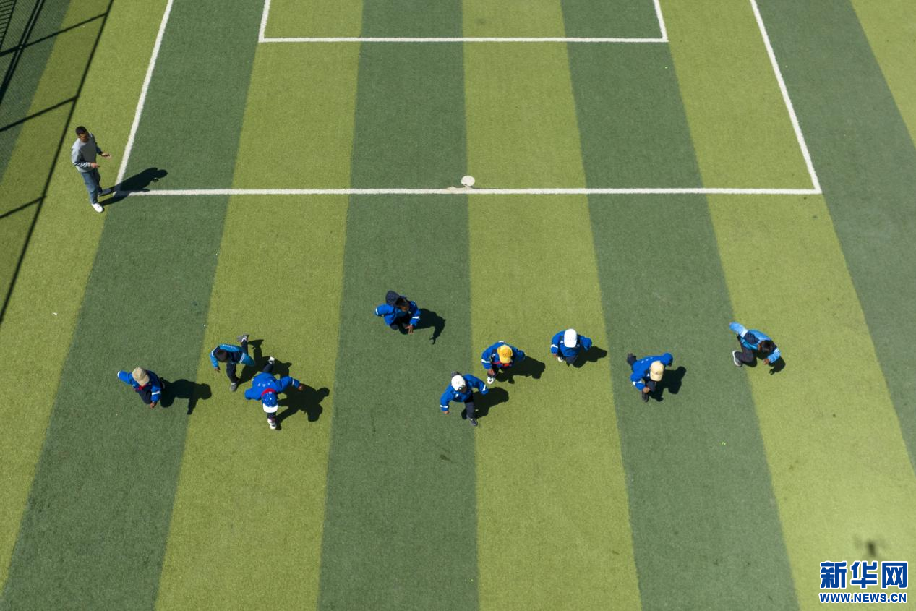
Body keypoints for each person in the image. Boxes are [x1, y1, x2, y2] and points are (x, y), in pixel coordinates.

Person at [243, 356, 304, 430]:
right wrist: (297, 385)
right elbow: (247, 393)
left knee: (266, 373)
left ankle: (271, 362)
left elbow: (289, 380)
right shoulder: (258, 393)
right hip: (257, 380)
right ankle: (270, 362)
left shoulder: (277, 387)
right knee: (265, 373)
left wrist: (298, 385)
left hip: (266, 379)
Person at [71, 126, 114, 213]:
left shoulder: (90, 136)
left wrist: (100, 153)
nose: (87, 137)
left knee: (97, 178)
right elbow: (75, 162)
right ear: (79, 136)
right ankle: (94, 202)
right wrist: (90, 164)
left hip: (93, 165)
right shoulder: (77, 148)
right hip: (85, 170)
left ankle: (100, 192)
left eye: (87, 134)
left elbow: (94, 145)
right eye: (84, 136)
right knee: (92, 187)